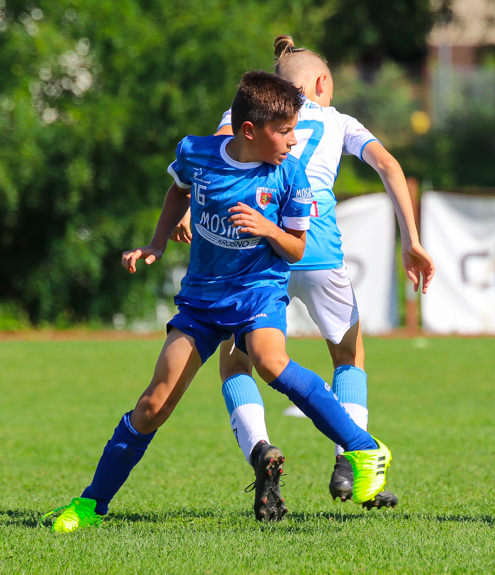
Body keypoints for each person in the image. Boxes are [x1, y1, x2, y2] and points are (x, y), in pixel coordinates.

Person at [42, 71, 393, 533]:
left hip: (258, 291)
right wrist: (157, 242)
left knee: (271, 363)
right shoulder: (198, 153)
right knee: (153, 405)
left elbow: (297, 248)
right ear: (249, 131)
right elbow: (178, 190)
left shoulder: (290, 172)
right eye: (284, 131)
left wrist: (268, 229)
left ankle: (364, 447)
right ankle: (91, 504)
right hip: (203, 301)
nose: (293, 141)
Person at [173, 35, 434, 507]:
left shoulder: (242, 119)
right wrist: (412, 241)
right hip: (316, 250)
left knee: (236, 361)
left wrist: (189, 215)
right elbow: (389, 166)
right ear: (322, 82)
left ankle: (259, 449)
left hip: (253, 255)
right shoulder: (339, 121)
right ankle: (350, 462)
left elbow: (209, 166)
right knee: (348, 357)